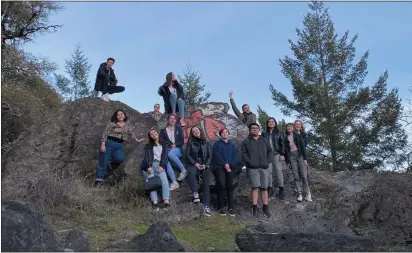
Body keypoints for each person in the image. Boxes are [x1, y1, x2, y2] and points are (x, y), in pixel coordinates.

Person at [96, 109, 145, 183]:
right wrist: (103, 145)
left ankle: (110, 166)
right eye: (118, 114)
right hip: (109, 143)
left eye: (121, 114)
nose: (120, 116)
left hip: (119, 145)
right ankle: (99, 180)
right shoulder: (112, 123)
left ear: (124, 115)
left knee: (120, 159)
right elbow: (105, 134)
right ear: (116, 116)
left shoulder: (127, 125)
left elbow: (131, 133)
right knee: (103, 162)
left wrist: (137, 140)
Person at [241, 123, 272, 218]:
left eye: (256, 128)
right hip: (253, 168)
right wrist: (249, 162)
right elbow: (243, 153)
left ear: (259, 129)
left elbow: (270, 151)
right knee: (255, 187)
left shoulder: (264, 141)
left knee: (264, 188)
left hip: (264, 167)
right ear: (250, 130)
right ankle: (254, 207)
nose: (254, 129)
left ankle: (265, 207)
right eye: (252, 128)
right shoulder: (246, 141)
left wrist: (268, 161)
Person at [140, 129, 171, 211]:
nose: (153, 134)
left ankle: (166, 201)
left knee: (164, 182)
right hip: (151, 165)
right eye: (151, 134)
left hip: (159, 165)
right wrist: (148, 167)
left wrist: (162, 166)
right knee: (152, 183)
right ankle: (155, 203)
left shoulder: (164, 144)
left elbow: (165, 157)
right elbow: (147, 157)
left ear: (157, 133)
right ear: (150, 137)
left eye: (154, 132)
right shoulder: (148, 146)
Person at [186, 126, 213, 216]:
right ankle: (195, 193)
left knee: (206, 186)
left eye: (197, 130)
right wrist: (195, 164)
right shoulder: (190, 142)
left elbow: (209, 155)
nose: (195, 132)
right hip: (193, 164)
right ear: (192, 134)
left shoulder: (207, 143)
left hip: (204, 165)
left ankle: (206, 206)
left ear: (200, 131)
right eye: (193, 131)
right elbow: (187, 155)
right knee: (191, 172)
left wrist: (205, 165)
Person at [213, 128, 238, 216]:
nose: (225, 134)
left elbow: (235, 157)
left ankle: (230, 208)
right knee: (222, 185)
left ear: (228, 134)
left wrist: (229, 165)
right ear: (220, 135)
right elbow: (217, 156)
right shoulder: (217, 144)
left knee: (230, 186)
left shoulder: (232, 146)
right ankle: (220, 207)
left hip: (230, 168)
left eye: (226, 132)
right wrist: (225, 164)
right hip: (220, 167)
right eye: (223, 133)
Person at [284, 123, 312, 202]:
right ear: (286, 129)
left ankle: (308, 194)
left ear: (293, 128)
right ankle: (300, 194)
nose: (289, 128)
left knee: (304, 176)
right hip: (291, 157)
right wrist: (287, 161)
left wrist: (305, 159)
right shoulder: (285, 138)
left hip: (299, 156)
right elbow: (286, 151)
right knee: (296, 176)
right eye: (288, 127)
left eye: (291, 127)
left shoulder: (297, 135)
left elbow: (303, 147)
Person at [261, 117, 286, 200]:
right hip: (267, 154)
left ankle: (281, 189)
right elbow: (261, 144)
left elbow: (283, 144)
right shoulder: (264, 133)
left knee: (278, 171)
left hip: (277, 154)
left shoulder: (279, 133)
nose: (271, 123)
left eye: (272, 122)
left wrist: (282, 154)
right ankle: (270, 188)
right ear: (267, 124)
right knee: (269, 172)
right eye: (269, 122)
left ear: (275, 123)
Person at [160, 115, 187, 186]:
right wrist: (168, 147)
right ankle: (174, 182)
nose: (172, 120)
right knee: (166, 161)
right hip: (167, 149)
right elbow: (162, 142)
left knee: (170, 154)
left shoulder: (178, 129)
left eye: (174, 119)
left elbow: (182, 142)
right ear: (168, 120)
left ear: (175, 120)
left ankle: (183, 170)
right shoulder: (163, 131)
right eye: (170, 118)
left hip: (178, 149)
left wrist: (175, 145)